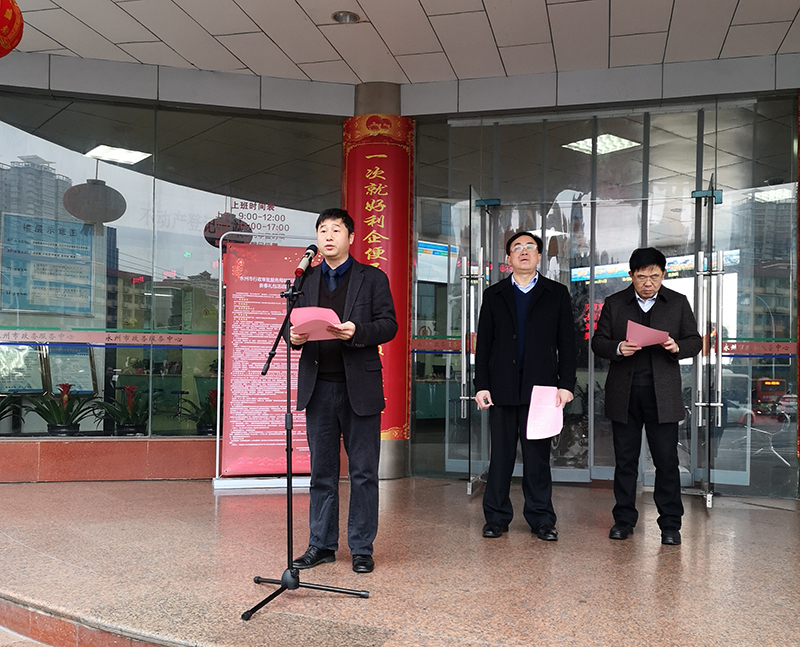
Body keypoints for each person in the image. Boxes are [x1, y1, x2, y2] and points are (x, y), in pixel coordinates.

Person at [289, 208, 398, 573]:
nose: (328, 236)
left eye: (336, 230)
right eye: (323, 230)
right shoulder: (304, 279)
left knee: (363, 472)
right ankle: (321, 544)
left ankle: (362, 547)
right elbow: (291, 327)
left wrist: (357, 332)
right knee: (321, 472)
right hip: (318, 388)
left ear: (351, 238)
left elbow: (389, 325)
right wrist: (293, 338)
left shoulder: (372, 278)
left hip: (359, 388)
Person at [591, 247, 701, 546]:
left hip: (662, 394)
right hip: (625, 393)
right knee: (625, 461)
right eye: (641, 277)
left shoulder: (677, 302)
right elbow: (598, 342)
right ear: (631, 275)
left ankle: (670, 524)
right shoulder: (615, 303)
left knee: (666, 461)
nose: (648, 282)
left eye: (654, 276)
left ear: (664, 274)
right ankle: (623, 520)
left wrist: (678, 347)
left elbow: (694, 341)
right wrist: (617, 347)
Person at [474, 231, 576, 541]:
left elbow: (567, 344)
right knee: (501, 458)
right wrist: (481, 385)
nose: (523, 251)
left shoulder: (556, 293)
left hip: (542, 391)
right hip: (502, 388)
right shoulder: (494, 295)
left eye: (530, 247)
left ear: (539, 256)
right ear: (508, 258)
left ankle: (542, 519)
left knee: (537, 459)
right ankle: (496, 518)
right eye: (517, 247)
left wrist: (566, 384)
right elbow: (484, 345)